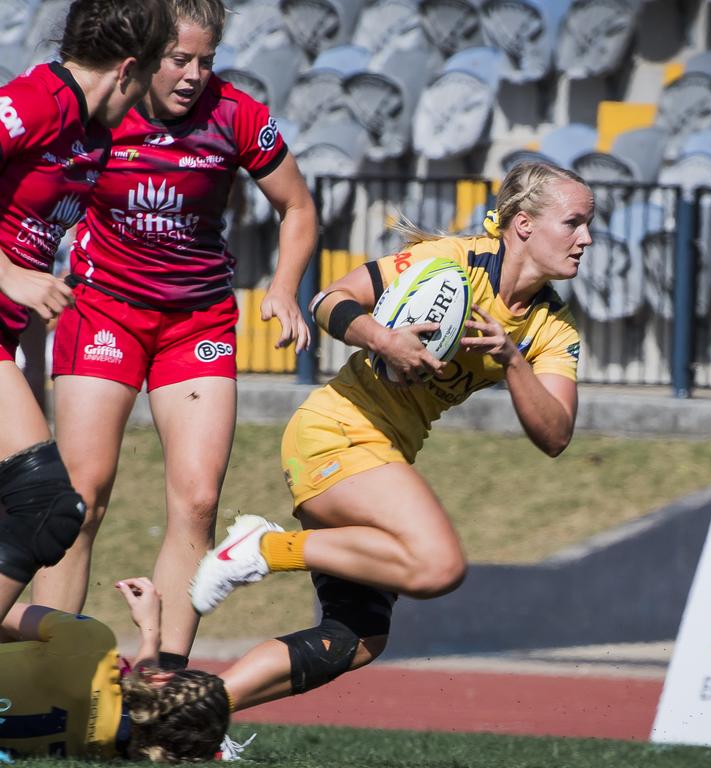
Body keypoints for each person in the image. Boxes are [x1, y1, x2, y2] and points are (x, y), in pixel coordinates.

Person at [187, 161, 593, 709]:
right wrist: (385, 340)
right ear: (523, 223)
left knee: (354, 639)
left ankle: (194, 715)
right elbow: (328, 301)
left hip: (383, 450)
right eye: (573, 223)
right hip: (336, 431)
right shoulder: (451, 261)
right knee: (439, 564)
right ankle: (263, 548)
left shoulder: (553, 327)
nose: (585, 239)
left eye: (588, 225)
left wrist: (510, 358)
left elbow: (556, 434)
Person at [34, 0, 318, 671]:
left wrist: (283, 288)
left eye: (206, 61)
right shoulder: (103, 106)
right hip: (102, 310)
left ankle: (162, 683)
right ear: (145, 54)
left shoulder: (237, 114)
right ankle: (52, 679)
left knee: (196, 499)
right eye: (179, 59)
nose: (193, 74)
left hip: (198, 322)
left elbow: (298, 206)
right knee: (82, 495)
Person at [0, 0, 175, 624]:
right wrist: (10, 274)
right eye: (155, 74)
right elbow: (21, 269)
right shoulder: (37, 102)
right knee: (47, 505)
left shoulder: (91, 134)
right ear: (129, 69)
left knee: (38, 506)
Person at [0, 578, 229, 761]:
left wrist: (151, 627)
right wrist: (150, 635)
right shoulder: (104, 753)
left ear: (164, 677)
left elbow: (4, 609)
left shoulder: (89, 641)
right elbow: (125, 708)